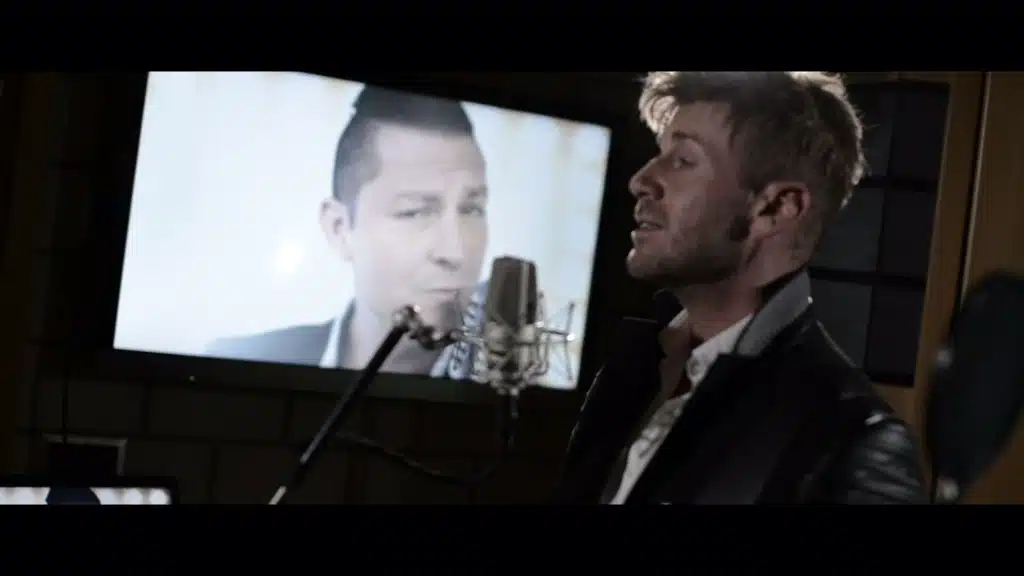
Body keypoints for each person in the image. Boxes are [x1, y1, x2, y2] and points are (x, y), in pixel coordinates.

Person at [551, 72, 927, 505]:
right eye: (660, 153)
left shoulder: (852, 441)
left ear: (776, 208)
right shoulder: (629, 373)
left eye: (683, 160)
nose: (641, 180)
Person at [207, 86, 489, 376]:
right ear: (339, 229)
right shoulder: (236, 362)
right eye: (414, 212)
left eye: (472, 209)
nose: (455, 253)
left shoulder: (508, 383)